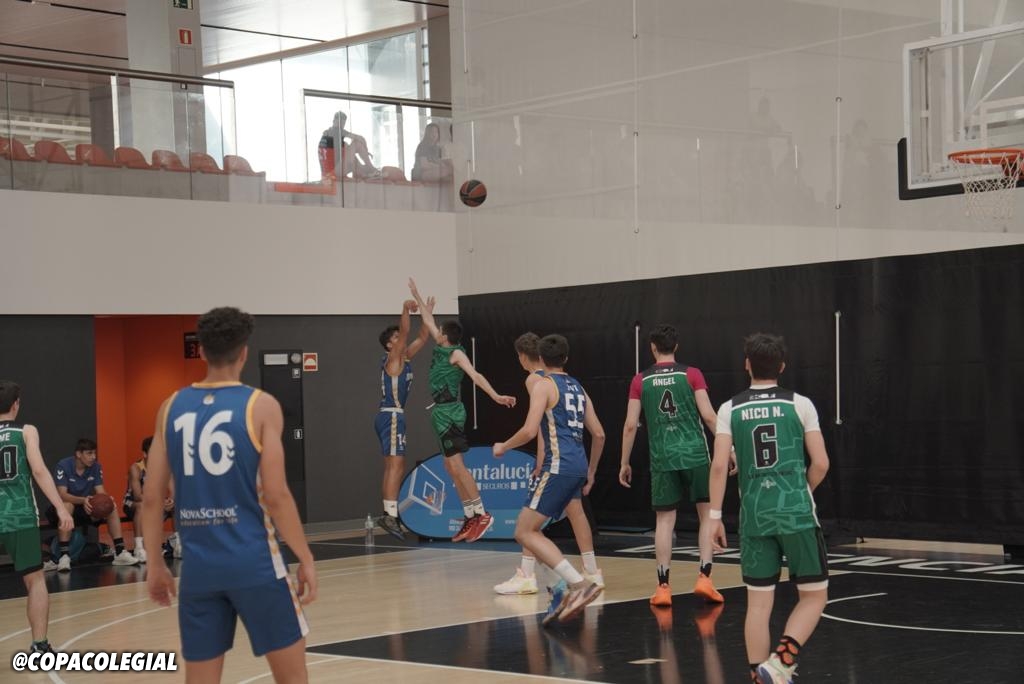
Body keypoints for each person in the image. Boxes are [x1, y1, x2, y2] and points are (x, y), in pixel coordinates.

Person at [143, 306, 317, 684]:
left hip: (199, 570)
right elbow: (276, 495)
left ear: (202, 351)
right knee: (292, 678)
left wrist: (155, 564)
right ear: (244, 353)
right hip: (255, 564)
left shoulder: (170, 408)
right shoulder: (261, 406)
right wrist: (305, 557)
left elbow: (152, 497)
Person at [700, 333, 830, 684]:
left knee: (758, 605)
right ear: (782, 367)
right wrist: (801, 491)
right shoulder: (800, 404)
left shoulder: (729, 408)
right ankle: (782, 659)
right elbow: (821, 463)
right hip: (796, 513)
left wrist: (714, 517)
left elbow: (718, 466)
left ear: (747, 365)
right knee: (814, 596)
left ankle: (761, 678)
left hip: (754, 516)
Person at [494, 334, 605, 625]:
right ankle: (558, 589)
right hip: (578, 465)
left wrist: (504, 446)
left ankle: (579, 584)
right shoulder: (578, 387)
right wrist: (591, 471)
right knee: (535, 530)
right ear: (566, 358)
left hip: (558, 465)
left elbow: (530, 430)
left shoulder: (543, 384)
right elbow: (599, 433)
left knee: (524, 531)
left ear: (540, 359)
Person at [620, 324, 727, 606]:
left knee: (665, 521)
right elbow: (709, 416)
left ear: (652, 348)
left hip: (663, 457)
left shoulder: (640, 380)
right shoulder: (691, 374)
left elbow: (630, 425)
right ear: (676, 347)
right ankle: (705, 578)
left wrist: (624, 461)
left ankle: (663, 587)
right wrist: (730, 449)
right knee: (707, 515)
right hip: (695, 454)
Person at [408, 277, 516, 543]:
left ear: (445, 336)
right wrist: (417, 296)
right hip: (440, 413)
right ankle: (469, 516)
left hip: (451, 413)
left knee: (457, 465)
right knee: (449, 466)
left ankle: (482, 513)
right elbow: (428, 321)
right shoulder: (440, 346)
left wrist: (496, 396)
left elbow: (476, 376)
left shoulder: (457, 354)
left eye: (439, 330)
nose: (436, 330)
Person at [0, 381, 74, 655]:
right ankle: (40, 645)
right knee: (35, 580)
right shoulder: (26, 431)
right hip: (19, 516)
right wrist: (61, 508)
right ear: (16, 404)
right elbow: (40, 471)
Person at [375, 297, 433, 540]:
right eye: (397, 338)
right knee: (396, 466)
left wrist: (427, 313)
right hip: (392, 415)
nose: (402, 339)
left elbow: (423, 336)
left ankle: (389, 513)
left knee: (393, 466)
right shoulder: (394, 358)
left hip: (392, 415)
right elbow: (407, 331)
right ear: (390, 345)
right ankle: (389, 515)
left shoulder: (404, 357)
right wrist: (405, 310)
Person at [45, 437, 139, 570]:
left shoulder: (96, 467)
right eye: (89, 453)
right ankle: (64, 556)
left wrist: (107, 500)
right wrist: (83, 500)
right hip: (60, 509)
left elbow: (100, 491)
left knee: (110, 507)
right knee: (67, 505)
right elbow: (62, 494)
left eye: (94, 453)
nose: (93, 457)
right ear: (78, 454)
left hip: (84, 506)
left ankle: (120, 552)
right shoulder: (63, 465)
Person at [123, 436, 179, 563]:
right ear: (145, 454)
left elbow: (173, 491)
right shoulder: (136, 468)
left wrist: (171, 501)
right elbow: (137, 496)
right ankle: (139, 548)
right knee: (141, 506)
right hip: (132, 503)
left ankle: (178, 543)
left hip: (156, 502)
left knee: (177, 504)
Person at [318, 110, 380, 180]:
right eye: (340, 123)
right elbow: (361, 138)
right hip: (333, 173)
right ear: (334, 121)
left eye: (343, 124)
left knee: (349, 149)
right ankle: (371, 169)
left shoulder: (329, 133)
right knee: (356, 143)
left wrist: (364, 153)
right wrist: (366, 151)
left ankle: (364, 172)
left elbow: (347, 150)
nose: (341, 126)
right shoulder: (336, 130)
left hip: (329, 173)